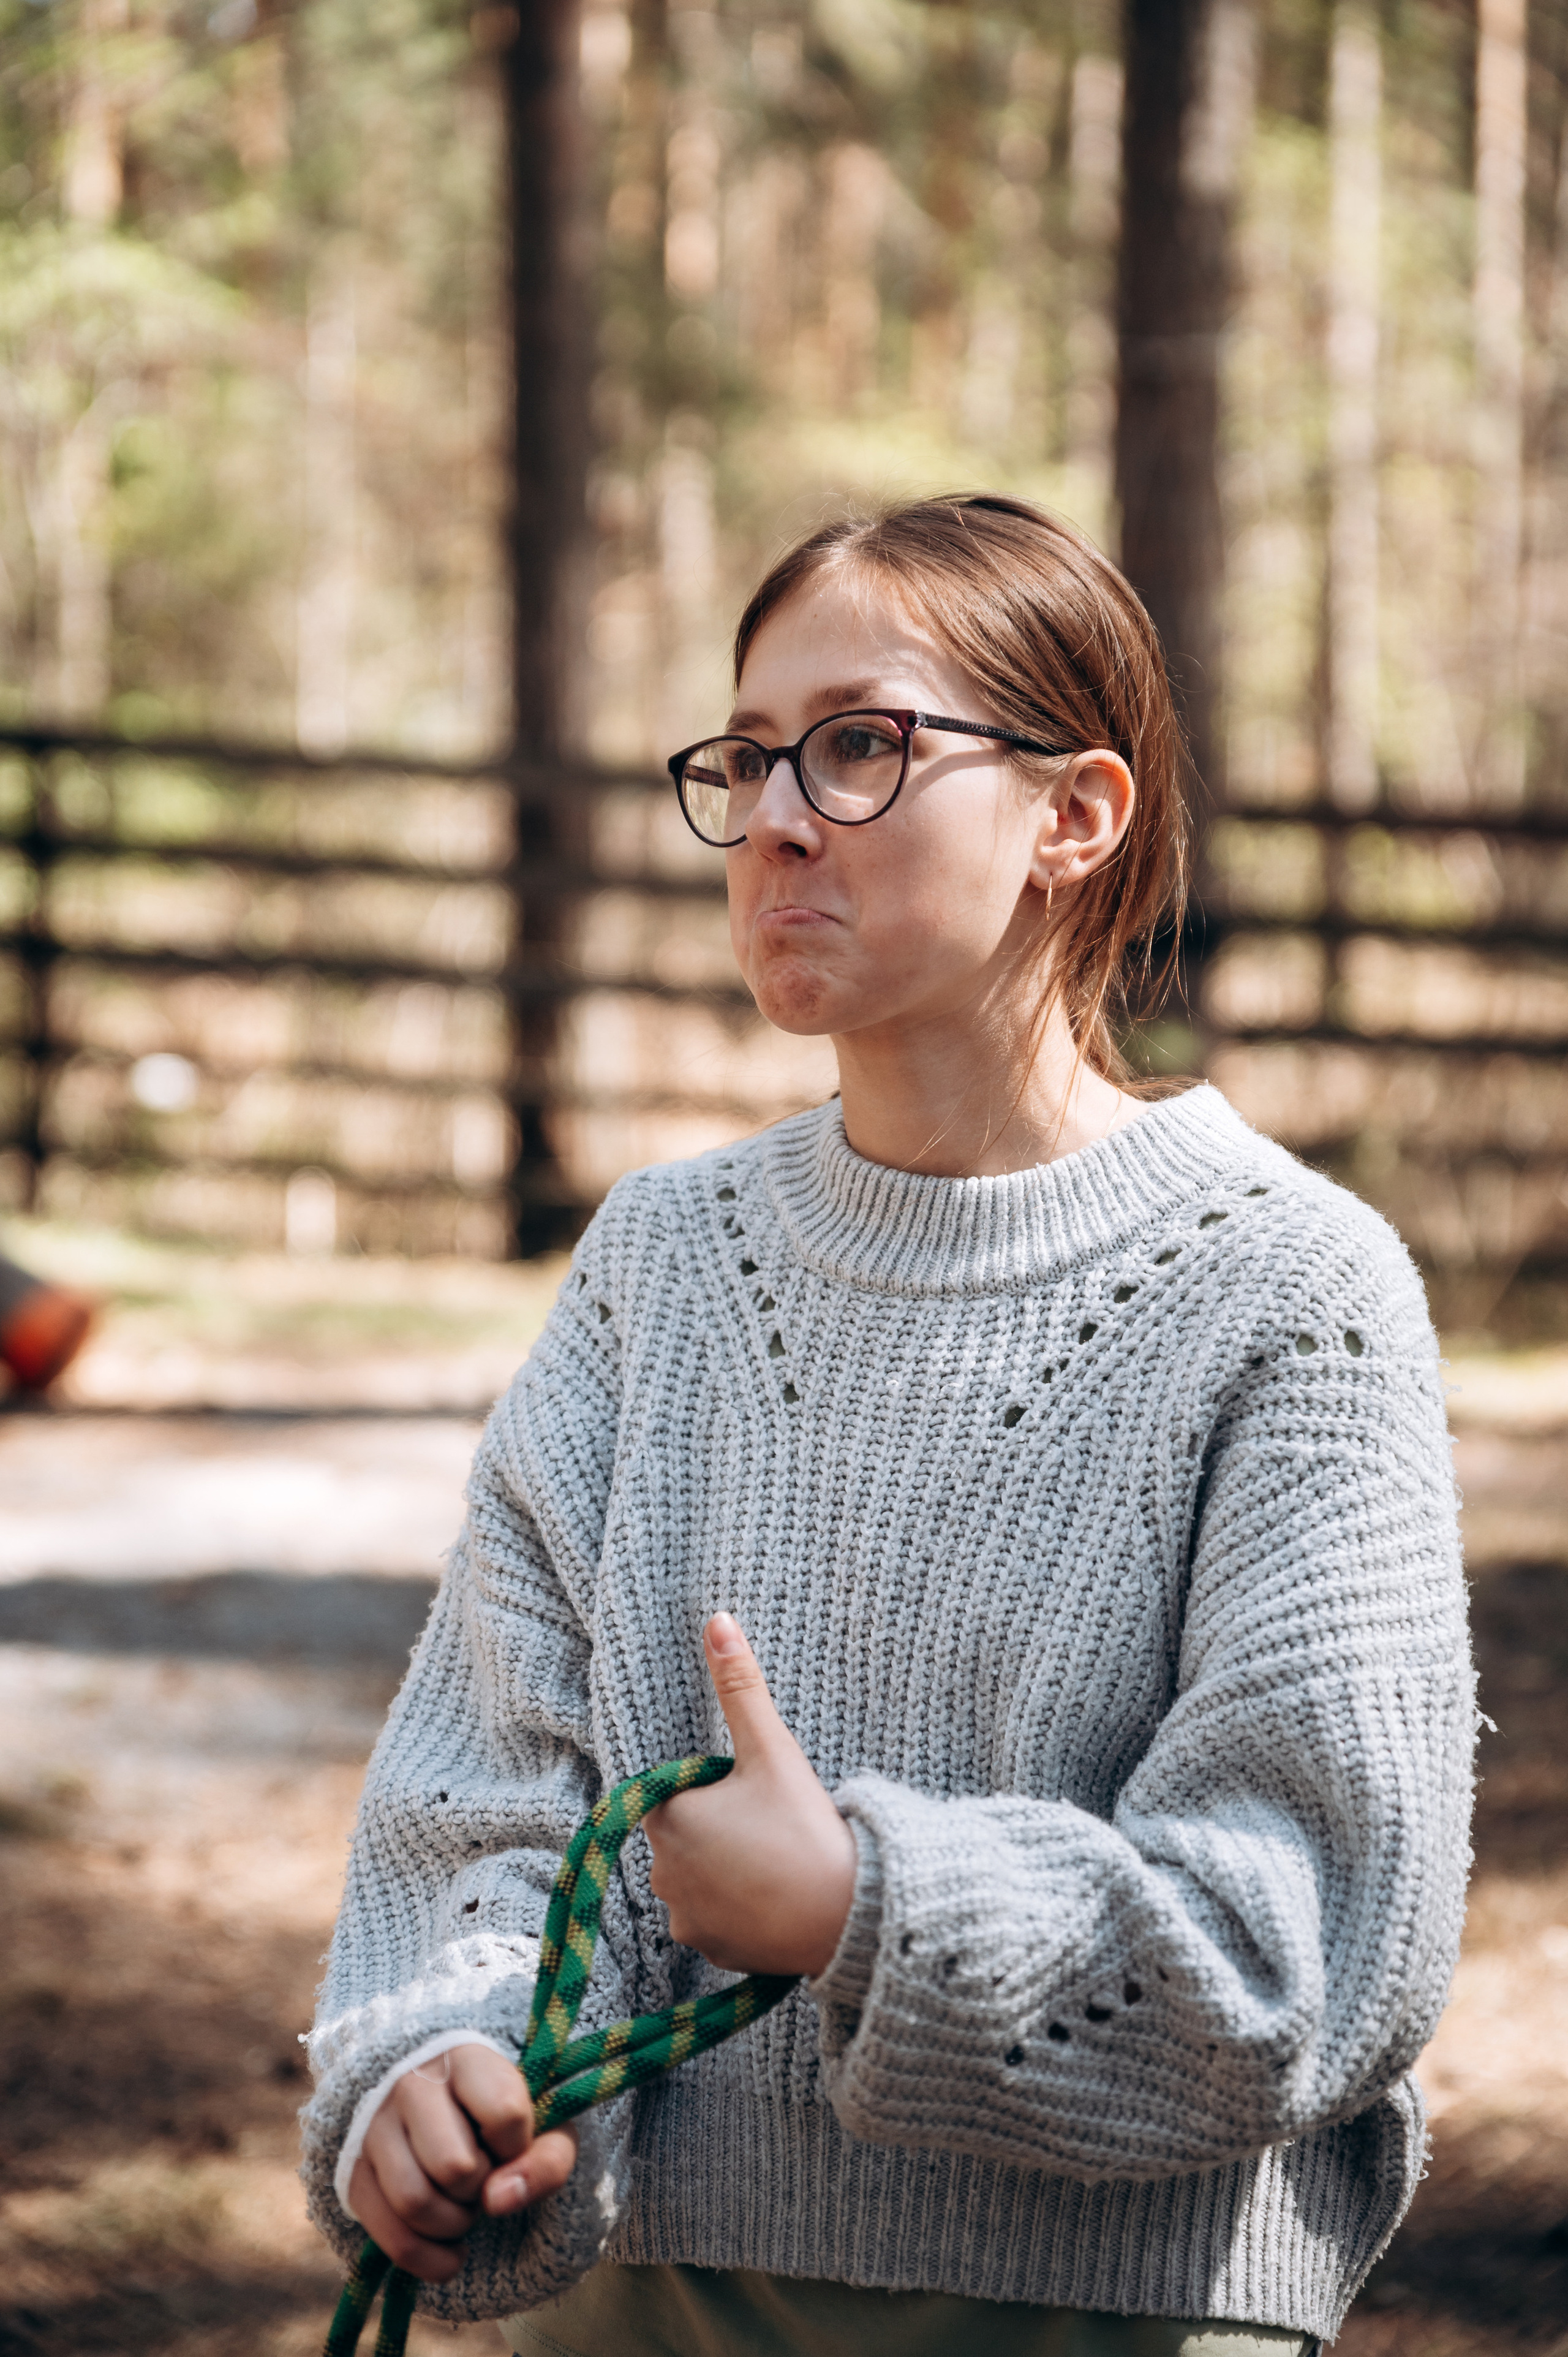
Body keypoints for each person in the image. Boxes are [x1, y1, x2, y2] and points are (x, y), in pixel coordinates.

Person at [302, 496, 1472, 2357]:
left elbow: (1311, 1935)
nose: (775, 818)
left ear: (1072, 818)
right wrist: (432, 2060)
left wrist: (865, 1903)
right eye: (748, 758)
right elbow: (488, 1796)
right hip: (639, 2307)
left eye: (859, 747)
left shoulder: (1292, 1291)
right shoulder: (659, 1266)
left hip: (1107, 2319)